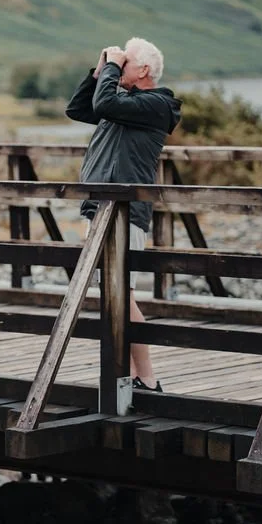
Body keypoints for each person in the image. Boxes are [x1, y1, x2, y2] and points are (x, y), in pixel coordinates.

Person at [65, 37, 182, 392]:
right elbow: (78, 108)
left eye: (127, 61)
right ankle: (129, 374)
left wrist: (112, 70)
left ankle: (146, 376)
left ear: (144, 70)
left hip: (124, 211)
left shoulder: (157, 105)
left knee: (123, 294)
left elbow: (103, 102)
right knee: (111, 294)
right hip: (100, 207)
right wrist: (100, 70)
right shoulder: (123, 103)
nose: (120, 65)